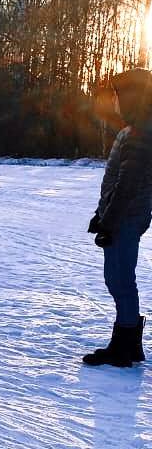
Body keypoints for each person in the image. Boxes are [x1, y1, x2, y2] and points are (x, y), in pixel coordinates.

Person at [82, 67, 152, 367]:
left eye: (120, 96)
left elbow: (127, 185)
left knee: (120, 280)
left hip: (125, 217)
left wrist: (108, 221)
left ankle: (124, 347)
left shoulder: (141, 133)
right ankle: (129, 344)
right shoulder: (133, 130)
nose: (116, 102)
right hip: (123, 215)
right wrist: (102, 214)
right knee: (120, 278)